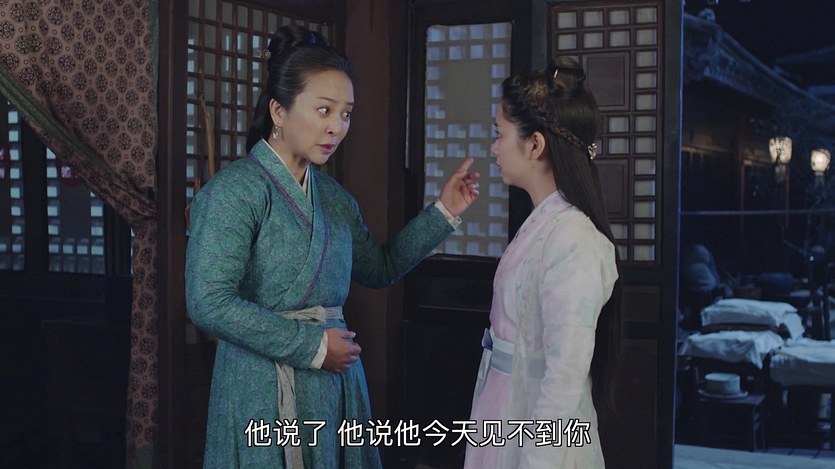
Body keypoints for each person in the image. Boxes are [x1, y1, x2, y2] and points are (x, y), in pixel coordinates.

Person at [185, 25, 479, 469]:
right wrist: (313, 347)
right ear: (278, 110)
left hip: (334, 387)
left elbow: (379, 267)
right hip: (261, 384)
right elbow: (208, 302)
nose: (336, 127)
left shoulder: (335, 198)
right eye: (324, 110)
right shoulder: (234, 192)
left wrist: (443, 212)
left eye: (345, 114)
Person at [464, 57, 621, 469]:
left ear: (535, 145)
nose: (494, 148)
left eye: (499, 134)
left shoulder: (573, 240)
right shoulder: (544, 224)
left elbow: (565, 375)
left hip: (538, 422)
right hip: (507, 405)